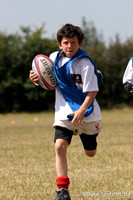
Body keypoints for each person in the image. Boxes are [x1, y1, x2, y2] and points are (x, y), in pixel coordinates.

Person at [29, 24, 102, 200]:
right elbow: (50, 82)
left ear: (80, 44)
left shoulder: (84, 63)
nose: (70, 46)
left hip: (87, 113)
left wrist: (82, 111)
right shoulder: (53, 58)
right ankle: (63, 190)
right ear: (59, 44)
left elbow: (92, 91)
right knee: (59, 146)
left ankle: (89, 141)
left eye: (74, 43)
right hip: (64, 112)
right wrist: (37, 79)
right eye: (66, 42)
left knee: (90, 153)